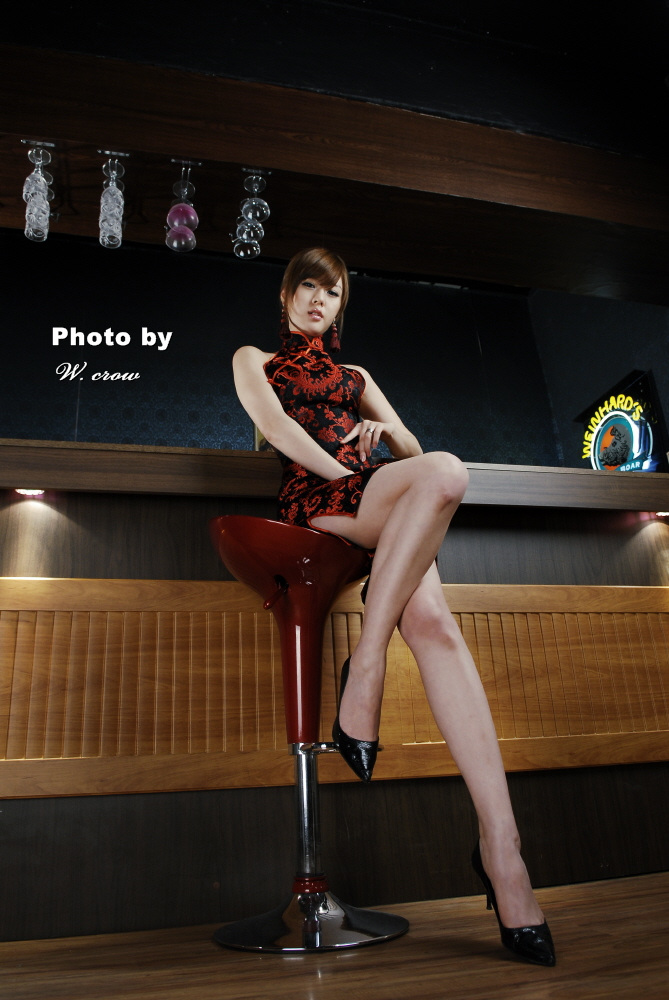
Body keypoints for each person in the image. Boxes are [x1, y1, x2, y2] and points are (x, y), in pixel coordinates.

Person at [233, 247, 556, 967]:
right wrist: (348, 475)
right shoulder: (254, 359)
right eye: (308, 286)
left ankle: (502, 850)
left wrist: (381, 438)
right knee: (446, 473)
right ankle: (369, 665)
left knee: (435, 620)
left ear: (341, 308)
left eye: (332, 293)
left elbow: (409, 445)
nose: (318, 300)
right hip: (317, 500)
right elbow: (279, 430)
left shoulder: (357, 377)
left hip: (376, 500)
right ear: (287, 295)